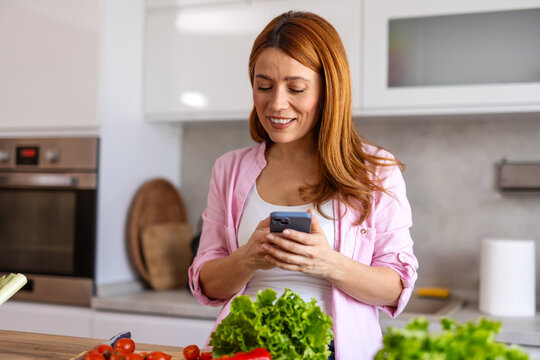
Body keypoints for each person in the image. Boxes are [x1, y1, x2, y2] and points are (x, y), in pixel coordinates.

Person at [189, 10, 418, 360]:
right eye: (263, 86)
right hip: (242, 351)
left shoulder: (375, 170)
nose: (276, 103)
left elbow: (396, 287)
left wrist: (327, 263)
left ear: (329, 89)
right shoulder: (229, 169)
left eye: (296, 88)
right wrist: (248, 258)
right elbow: (206, 283)